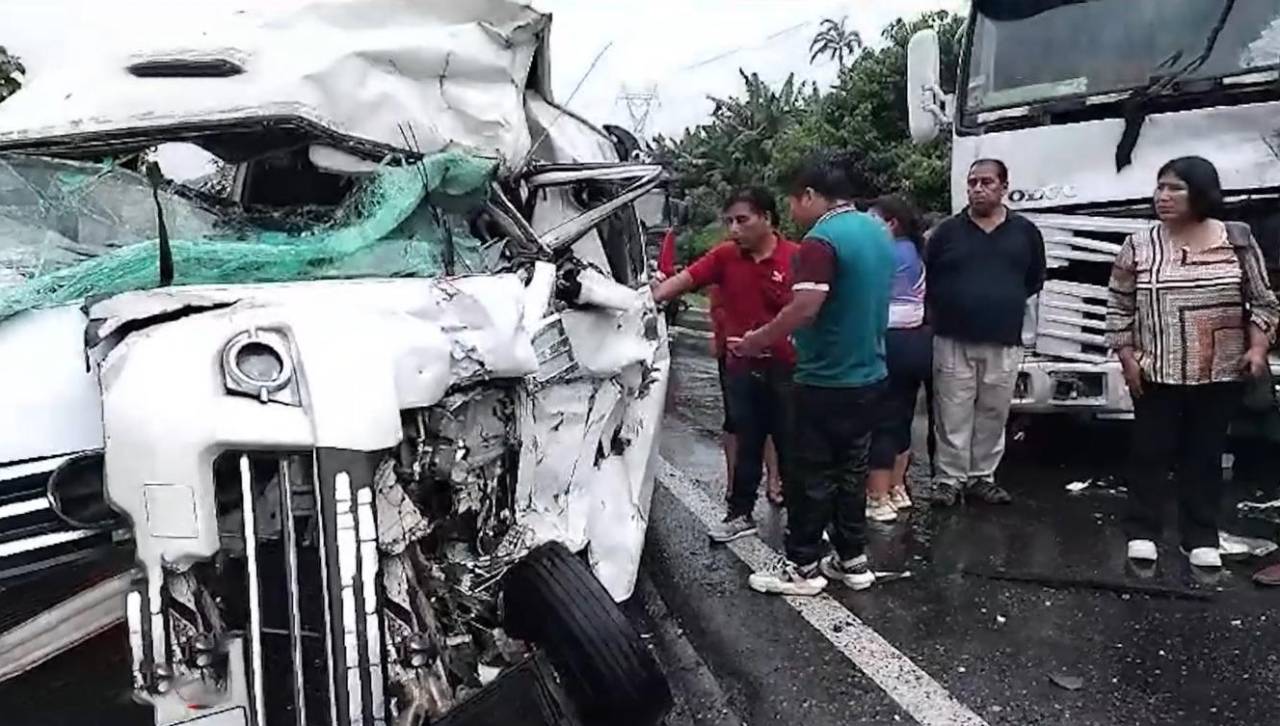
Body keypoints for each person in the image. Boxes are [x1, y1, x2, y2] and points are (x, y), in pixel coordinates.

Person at [731, 153, 895, 596]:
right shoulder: (878, 231)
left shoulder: (821, 241)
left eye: (792, 202)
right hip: (871, 373)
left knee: (809, 475)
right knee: (851, 471)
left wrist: (756, 341)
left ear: (809, 196)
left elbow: (805, 308)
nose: (791, 213)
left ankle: (803, 567)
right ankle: (852, 559)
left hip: (826, 377)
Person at [1106, 156, 1279, 568]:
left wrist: (1257, 349)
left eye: (1175, 188)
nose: (1163, 196)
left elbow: (1263, 303)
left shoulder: (1236, 238)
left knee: (1205, 455)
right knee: (1149, 452)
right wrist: (1127, 357)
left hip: (1219, 372)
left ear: (1200, 192)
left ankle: (1199, 536)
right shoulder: (1139, 244)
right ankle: (1142, 531)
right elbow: (1119, 305)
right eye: (1160, 187)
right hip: (1156, 371)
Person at [653, 187, 798, 543]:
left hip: (789, 369)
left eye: (742, 220)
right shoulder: (724, 257)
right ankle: (739, 513)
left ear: (766, 218)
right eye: (729, 221)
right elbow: (682, 282)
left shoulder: (796, 258)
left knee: (794, 445)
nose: (734, 229)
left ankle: (804, 522)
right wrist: (644, 298)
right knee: (745, 441)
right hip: (740, 367)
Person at [925, 159, 1046, 506]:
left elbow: (1034, 279)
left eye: (987, 182)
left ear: (1004, 187)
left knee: (994, 412)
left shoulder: (1025, 232)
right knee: (952, 411)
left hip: (1004, 339)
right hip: (953, 338)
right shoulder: (947, 232)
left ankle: (982, 477)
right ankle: (949, 480)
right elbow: (930, 276)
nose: (978, 188)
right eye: (973, 182)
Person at [865, 196, 933, 522]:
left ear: (890, 223)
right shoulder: (914, 251)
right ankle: (896, 488)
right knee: (902, 414)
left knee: (882, 417)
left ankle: (876, 495)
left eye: (872, 220)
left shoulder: (886, 253)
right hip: (916, 340)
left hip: (888, 339)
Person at [710, 285, 784, 507]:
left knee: (775, 419)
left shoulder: (784, 257)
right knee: (736, 420)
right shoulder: (730, 259)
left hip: (775, 349)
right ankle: (734, 484)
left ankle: (774, 481)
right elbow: (717, 302)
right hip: (735, 349)